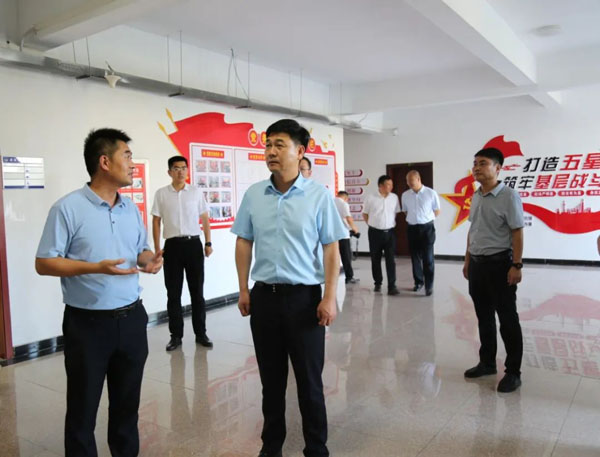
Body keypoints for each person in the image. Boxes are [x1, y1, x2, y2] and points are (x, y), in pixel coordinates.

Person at [35, 128, 163, 456]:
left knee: (127, 407)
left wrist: (149, 260)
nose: (132, 164)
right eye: (127, 156)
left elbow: (139, 250)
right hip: (88, 325)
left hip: (132, 319)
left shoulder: (130, 209)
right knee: (83, 409)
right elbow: (44, 262)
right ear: (105, 162)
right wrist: (95, 267)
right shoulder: (67, 208)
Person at [232, 119, 346, 457]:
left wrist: (329, 297)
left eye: (279, 145)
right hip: (264, 297)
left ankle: (316, 448)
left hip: (304, 300)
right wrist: (243, 289)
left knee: (309, 382)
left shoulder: (318, 196)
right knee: (271, 382)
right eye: (268, 145)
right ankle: (271, 447)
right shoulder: (254, 195)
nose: (271, 151)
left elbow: (331, 248)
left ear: (300, 151)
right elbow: (243, 241)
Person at [462, 147, 524, 393]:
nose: (476, 167)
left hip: (500, 265)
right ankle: (487, 363)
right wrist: (467, 260)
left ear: (498, 168)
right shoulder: (476, 195)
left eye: (483, 163)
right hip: (477, 265)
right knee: (484, 317)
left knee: (507, 319)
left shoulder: (509, 196)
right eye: (475, 163)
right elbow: (473, 230)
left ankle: (513, 372)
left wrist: (516, 265)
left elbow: (517, 231)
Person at [151, 155, 213, 351]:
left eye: (183, 168)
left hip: (193, 245)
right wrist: (157, 248)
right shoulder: (161, 194)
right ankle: (175, 336)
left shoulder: (195, 192)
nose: (181, 172)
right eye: (176, 168)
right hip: (172, 247)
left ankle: (201, 333)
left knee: (197, 292)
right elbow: (156, 221)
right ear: (169, 172)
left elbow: (205, 218)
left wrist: (208, 242)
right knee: (173, 293)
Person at [401, 170, 441, 296]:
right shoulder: (405, 195)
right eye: (407, 181)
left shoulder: (431, 193)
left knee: (428, 258)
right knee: (415, 257)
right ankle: (418, 282)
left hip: (427, 228)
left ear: (418, 179)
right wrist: (415, 219)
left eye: (411, 180)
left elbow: (437, 210)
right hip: (412, 228)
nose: (409, 183)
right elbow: (405, 211)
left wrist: (425, 219)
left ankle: (429, 286)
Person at [362, 175, 401, 295]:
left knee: (391, 260)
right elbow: (365, 214)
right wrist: (372, 224)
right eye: (388, 184)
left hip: (390, 233)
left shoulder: (394, 197)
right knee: (375, 259)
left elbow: (396, 213)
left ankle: (392, 286)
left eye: (391, 185)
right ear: (380, 185)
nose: (391, 187)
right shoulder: (370, 197)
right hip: (375, 233)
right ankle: (378, 283)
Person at [334, 190, 360, 284]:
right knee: (346, 257)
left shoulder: (331, 202)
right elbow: (348, 218)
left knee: (333, 257)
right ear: (346, 198)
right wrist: (355, 229)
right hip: (343, 234)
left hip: (331, 235)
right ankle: (349, 277)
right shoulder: (344, 204)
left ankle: (332, 277)